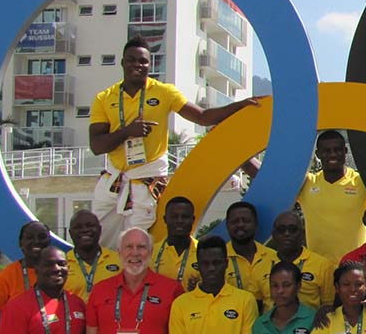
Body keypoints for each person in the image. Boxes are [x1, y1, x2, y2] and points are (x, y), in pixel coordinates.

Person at [88, 36, 258, 246]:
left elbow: (202, 116)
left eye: (143, 61)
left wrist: (238, 106)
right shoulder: (104, 98)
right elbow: (96, 146)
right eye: (131, 60)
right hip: (114, 182)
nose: (137, 65)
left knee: (138, 246)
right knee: (100, 244)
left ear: (151, 64)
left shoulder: (164, 92)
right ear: (122, 62)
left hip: (146, 181)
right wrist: (126, 132)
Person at [295, 130, 366, 263]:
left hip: (353, 269)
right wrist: (245, 158)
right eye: (326, 151)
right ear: (318, 154)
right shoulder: (307, 183)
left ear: (345, 151)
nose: (332, 155)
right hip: (316, 269)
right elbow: (274, 184)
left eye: (337, 150)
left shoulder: (361, 182)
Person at [0, 221, 51, 331]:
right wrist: (19, 331)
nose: (37, 241)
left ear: (49, 241)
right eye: (30, 237)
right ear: (21, 243)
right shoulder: (4, 277)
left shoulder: (61, 273)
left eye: (42, 237)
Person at [268, 211, 334, 310]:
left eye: (292, 229)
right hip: (269, 324)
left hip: (310, 324)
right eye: (281, 230)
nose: (287, 234)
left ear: (302, 234)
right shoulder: (262, 262)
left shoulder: (323, 265)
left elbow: (328, 305)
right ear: (273, 235)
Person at [225, 200, 279, 308]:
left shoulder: (274, 258)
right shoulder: (218, 260)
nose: (240, 225)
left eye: (246, 221)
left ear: (256, 224)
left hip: (270, 323)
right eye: (235, 221)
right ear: (227, 225)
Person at [65, 210, 123, 301]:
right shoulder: (62, 264)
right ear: (70, 233)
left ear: (100, 230)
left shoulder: (119, 260)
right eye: (78, 227)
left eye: (90, 225)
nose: (85, 230)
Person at [151, 196, 198, 290]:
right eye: (174, 217)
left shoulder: (203, 252)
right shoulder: (150, 253)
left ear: (193, 220)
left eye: (184, 217)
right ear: (165, 219)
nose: (179, 221)